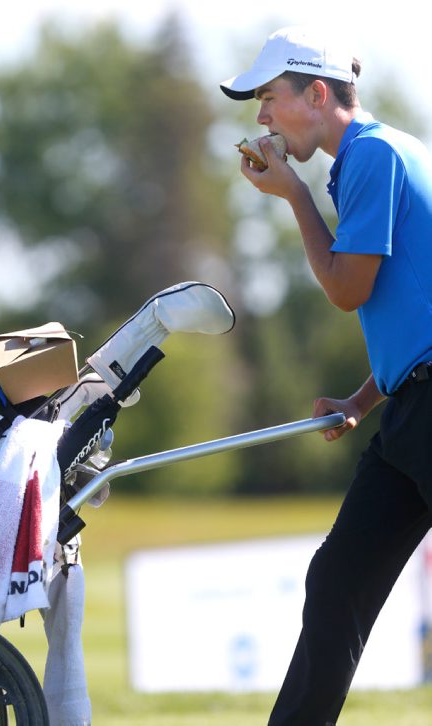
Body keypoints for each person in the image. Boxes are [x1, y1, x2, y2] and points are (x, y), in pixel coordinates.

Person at [220, 25, 432, 726]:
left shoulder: (370, 154)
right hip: (411, 410)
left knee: (339, 580)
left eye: (269, 98)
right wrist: (365, 398)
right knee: (339, 578)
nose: (260, 118)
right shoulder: (372, 158)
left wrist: (293, 196)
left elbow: (347, 289)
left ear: (316, 93)